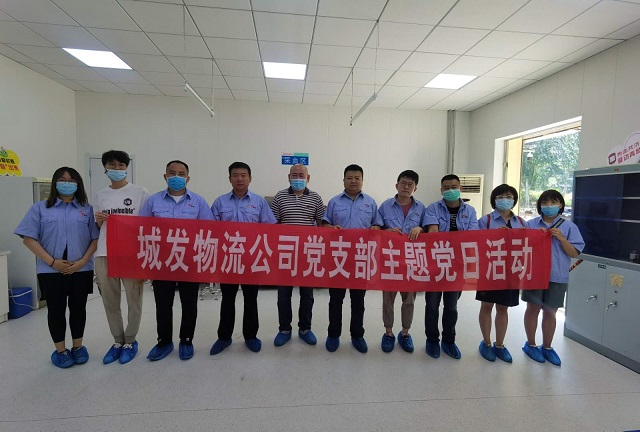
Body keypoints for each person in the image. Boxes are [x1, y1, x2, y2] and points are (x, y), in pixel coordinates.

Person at [14, 167, 99, 368]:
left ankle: (78, 347)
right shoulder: (40, 208)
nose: (67, 183)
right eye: (62, 179)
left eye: (71, 180)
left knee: (78, 309)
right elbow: (28, 239)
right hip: (50, 270)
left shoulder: (87, 209)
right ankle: (61, 351)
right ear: (55, 183)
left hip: (81, 269)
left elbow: (95, 239)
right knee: (56, 311)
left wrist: (82, 262)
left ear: (78, 184)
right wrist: (53, 262)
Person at [139, 160, 213, 361]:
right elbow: (141, 229)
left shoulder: (198, 201)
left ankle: (186, 340)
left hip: (189, 260)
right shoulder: (153, 201)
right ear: (165, 176)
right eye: (172, 173)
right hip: (161, 261)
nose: (177, 177)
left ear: (188, 178)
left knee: (189, 303)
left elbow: (210, 229)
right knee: (163, 304)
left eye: (181, 174)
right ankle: (164, 341)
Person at [209, 162, 277, 355]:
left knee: (251, 298)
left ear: (250, 178)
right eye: (235, 175)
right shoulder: (220, 202)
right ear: (229, 178)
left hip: (251, 259)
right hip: (228, 259)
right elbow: (210, 230)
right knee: (227, 299)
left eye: (243, 175)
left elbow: (269, 228)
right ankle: (224, 337)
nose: (240, 179)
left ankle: (251, 336)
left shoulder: (259, 202)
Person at [94, 150, 149, 365]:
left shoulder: (140, 192)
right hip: (105, 252)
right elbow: (97, 227)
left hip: (131, 253)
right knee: (110, 300)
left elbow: (147, 225)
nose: (116, 169)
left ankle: (130, 341)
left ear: (126, 168)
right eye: (112, 165)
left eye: (121, 165)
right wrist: (99, 220)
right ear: (105, 168)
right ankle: (118, 340)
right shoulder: (100, 195)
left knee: (134, 300)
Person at [322, 164, 382, 353]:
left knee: (358, 301)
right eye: (349, 178)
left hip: (361, 258)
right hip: (338, 258)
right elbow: (324, 225)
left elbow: (378, 225)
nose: (353, 181)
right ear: (344, 180)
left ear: (362, 180)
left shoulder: (370, 202)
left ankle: (357, 335)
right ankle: (333, 334)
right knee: (335, 300)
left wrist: (376, 229)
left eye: (357, 178)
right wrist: (331, 229)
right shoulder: (334, 202)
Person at [522, 189, 584, 366]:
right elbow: (520, 247)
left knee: (550, 311)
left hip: (557, 276)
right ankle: (531, 344)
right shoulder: (530, 224)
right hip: (534, 275)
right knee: (532, 308)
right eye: (545, 203)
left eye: (553, 202)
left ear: (561, 205)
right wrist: (534, 238)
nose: (549, 206)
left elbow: (574, 253)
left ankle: (547, 347)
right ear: (540, 205)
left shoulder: (570, 227)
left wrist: (562, 239)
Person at [423, 174, 478, 360]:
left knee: (451, 306)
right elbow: (433, 233)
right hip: (435, 265)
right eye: (446, 187)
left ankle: (449, 340)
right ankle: (432, 340)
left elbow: (472, 237)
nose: (450, 190)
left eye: (454, 187)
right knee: (432, 305)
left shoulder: (470, 211)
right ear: (441, 190)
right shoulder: (433, 208)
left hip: (458, 266)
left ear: (460, 188)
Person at [271, 164, 325, 347]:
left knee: (307, 295)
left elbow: (321, 225)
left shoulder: (316, 198)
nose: (298, 178)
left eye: (302, 175)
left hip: (307, 254)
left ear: (308, 178)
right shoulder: (279, 197)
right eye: (294, 175)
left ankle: (305, 329)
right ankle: (284, 329)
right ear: (289, 177)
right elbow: (273, 225)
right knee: (283, 295)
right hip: (285, 254)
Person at [476, 184, 526, 363]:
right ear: (494, 200)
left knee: (503, 308)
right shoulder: (486, 220)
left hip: (511, 271)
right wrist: (494, 235)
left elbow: (529, 245)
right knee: (487, 306)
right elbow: (476, 243)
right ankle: (486, 343)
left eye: (509, 196)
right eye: (501, 196)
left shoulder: (521, 222)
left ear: (514, 200)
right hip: (489, 270)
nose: (505, 199)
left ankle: (500, 344)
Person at [377, 170, 425, 353]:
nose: (406, 187)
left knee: (409, 299)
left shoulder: (421, 208)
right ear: (396, 185)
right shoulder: (385, 206)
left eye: (410, 184)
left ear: (415, 188)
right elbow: (376, 229)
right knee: (388, 299)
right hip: (390, 260)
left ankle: (405, 333)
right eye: (403, 183)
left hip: (412, 261)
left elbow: (430, 229)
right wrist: (385, 232)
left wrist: (420, 229)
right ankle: (388, 333)